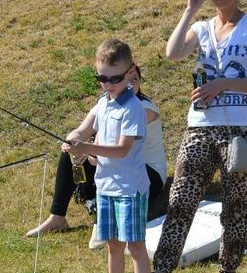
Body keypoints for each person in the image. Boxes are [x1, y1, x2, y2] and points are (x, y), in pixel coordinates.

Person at [150, 0, 247, 273]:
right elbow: (173, 53)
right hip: (200, 125)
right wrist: (190, 10)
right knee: (180, 200)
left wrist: (224, 84)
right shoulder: (203, 28)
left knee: (235, 205)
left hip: (240, 129)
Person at [65, 40, 153, 273]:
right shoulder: (103, 102)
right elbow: (84, 127)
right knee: (113, 247)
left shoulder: (134, 108)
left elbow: (122, 150)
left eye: (115, 78)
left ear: (130, 73)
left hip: (130, 188)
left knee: (135, 248)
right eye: (102, 78)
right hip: (106, 187)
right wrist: (73, 139)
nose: (108, 84)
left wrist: (87, 146)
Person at [25, 67, 168, 240]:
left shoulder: (144, 108)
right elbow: (81, 131)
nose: (130, 84)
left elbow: (121, 148)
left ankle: (103, 223)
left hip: (145, 169)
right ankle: (57, 217)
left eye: (135, 79)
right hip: (110, 162)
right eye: (126, 79)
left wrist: (89, 150)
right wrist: (71, 142)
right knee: (69, 152)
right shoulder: (104, 103)